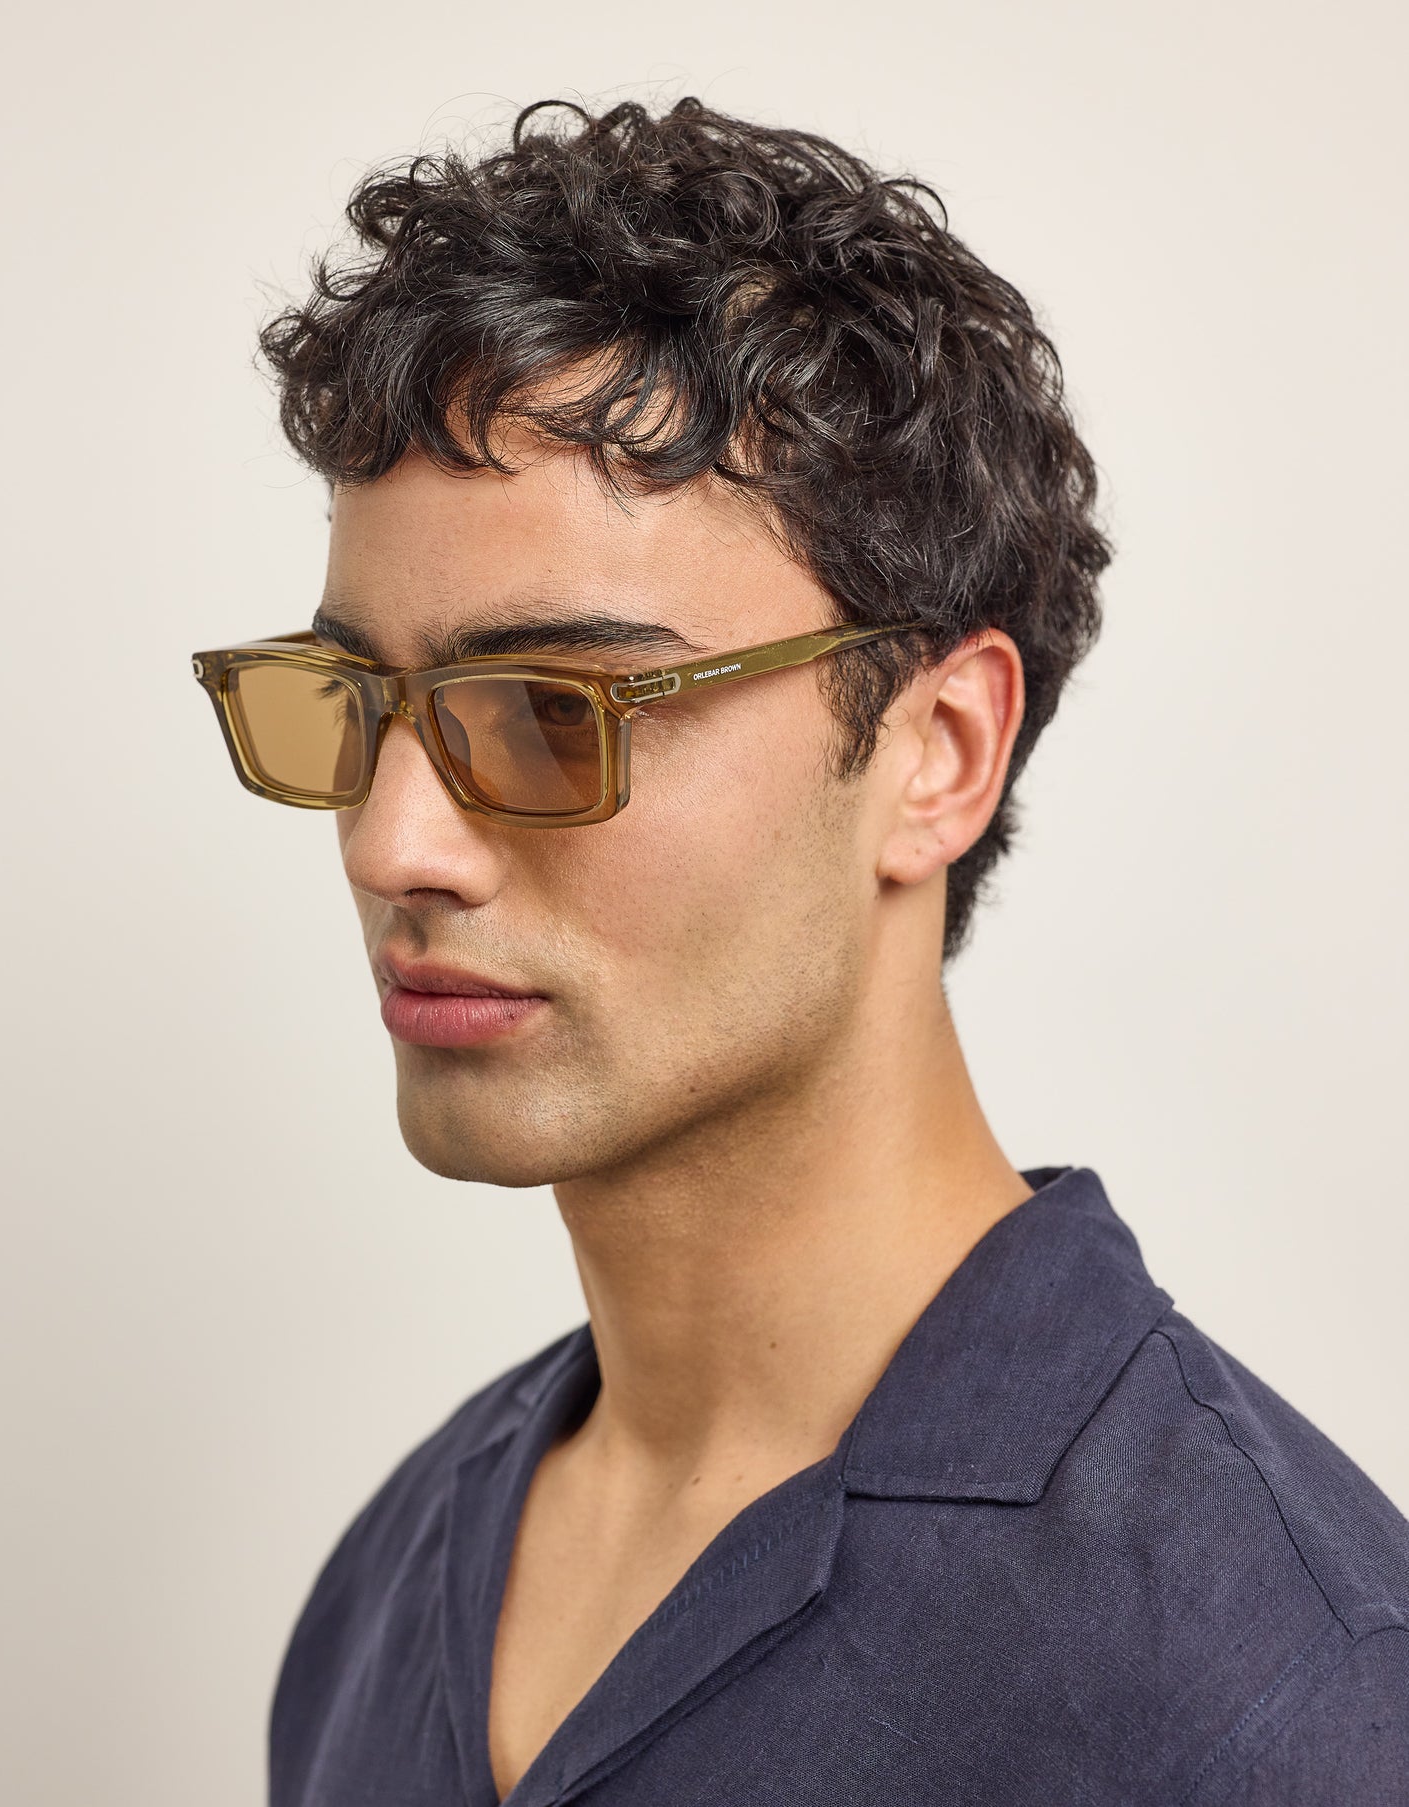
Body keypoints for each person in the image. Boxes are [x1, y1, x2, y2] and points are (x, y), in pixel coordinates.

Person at [192, 97, 1409, 1805]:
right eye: (355, 705)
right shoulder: (396, 1575)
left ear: (938, 752)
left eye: (555, 711)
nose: (394, 843)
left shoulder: (1279, 1694)